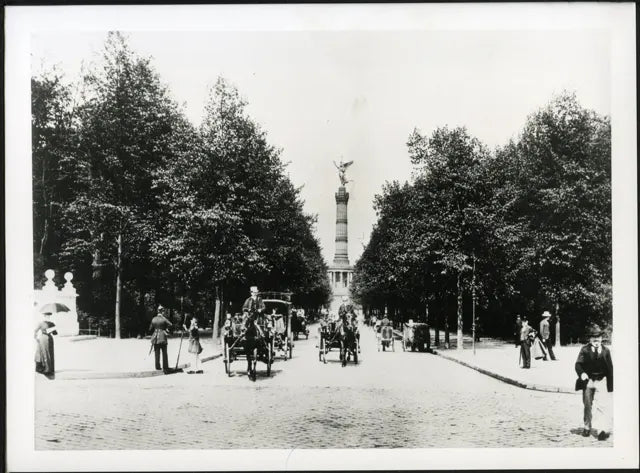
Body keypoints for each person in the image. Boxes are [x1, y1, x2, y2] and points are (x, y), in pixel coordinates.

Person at [575, 324, 613, 440]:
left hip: (601, 381)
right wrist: (582, 373)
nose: (596, 339)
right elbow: (578, 364)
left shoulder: (606, 351)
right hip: (589, 381)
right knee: (587, 405)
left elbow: (610, 368)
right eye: (593, 337)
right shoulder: (585, 349)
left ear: (602, 338)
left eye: (598, 337)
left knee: (602, 405)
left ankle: (602, 430)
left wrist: (611, 386)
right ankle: (587, 427)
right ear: (589, 339)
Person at [149, 304, 172, 373]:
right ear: (162, 311)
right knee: (164, 352)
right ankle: (165, 367)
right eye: (163, 311)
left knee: (157, 353)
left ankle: (157, 367)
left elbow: (150, 328)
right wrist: (166, 329)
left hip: (155, 337)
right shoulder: (164, 319)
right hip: (162, 337)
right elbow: (170, 324)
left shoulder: (153, 319)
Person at [35, 312, 57, 379]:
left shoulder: (47, 323)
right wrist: (36, 338)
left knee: (47, 353)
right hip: (46, 338)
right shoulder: (46, 323)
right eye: (47, 316)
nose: (48, 317)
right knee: (46, 353)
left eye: (49, 316)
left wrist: (54, 330)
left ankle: (48, 368)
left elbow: (55, 333)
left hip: (46, 338)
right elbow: (35, 331)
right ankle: (47, 369)